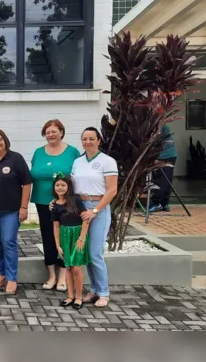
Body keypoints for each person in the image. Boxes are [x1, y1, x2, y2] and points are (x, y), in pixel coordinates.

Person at [0, 129, 33, 295]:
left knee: (8, 242)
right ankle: (1, 274)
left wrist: (24, 207)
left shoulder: (15, 159)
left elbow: (27, 183)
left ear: (5, 140)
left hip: (11, 210)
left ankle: (12, 278)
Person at [29, 119, 81, 291]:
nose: (50, 135)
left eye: (53, 131)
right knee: (48, 237)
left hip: (64, 203)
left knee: (64, 238)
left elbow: (76, 178)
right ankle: (51, 275)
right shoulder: (38, 152)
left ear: (61, 132)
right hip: (42, 202)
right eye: (47, 132)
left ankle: (63, 277)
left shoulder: (72, 151)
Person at [71, 127, 117, 308]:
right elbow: (72, 185)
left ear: (98, 140)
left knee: (95, 253)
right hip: (80, 208)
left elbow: (112, 190)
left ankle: (104, 293)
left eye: (91, 138)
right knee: (86, 253)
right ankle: (94, 290)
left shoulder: (107, 161)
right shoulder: (78, 162)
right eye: (84, 139)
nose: (88, 142)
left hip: (99, 209)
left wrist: (95, 211)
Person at [51, 174, 90, 310]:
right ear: (54, 187)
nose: (60, 188)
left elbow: (86, 219)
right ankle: (70, 295)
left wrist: (82, 238)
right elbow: (56, 226)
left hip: (78, 236)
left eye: (63, 185)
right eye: (57, 185)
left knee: (76, 268)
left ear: (68, 187)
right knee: (68, 267)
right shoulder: (54, 205)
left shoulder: (76, 200)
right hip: (64, 237)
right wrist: (58, 245)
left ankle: (79, 296)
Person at [149, 124, 177, 213]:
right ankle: (164, 203)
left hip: (165, 156)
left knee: (161, 180)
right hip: (169, 155)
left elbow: (158, 139)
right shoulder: (162, 125)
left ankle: (157, 203)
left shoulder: (161, 126)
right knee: (166, 180)